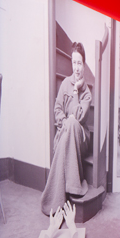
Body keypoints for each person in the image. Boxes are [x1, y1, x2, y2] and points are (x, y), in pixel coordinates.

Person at [41, 42, 91, 216]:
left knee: (72, 123)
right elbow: (57, 109)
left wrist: (76, 91)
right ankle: (72, 187)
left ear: (84, 65)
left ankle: (54, 198)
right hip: (65, 131)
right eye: (74, 62)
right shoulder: (64, 84)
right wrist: (64, 122)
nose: (76, 68)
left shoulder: (87, 93)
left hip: (81, 137)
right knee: (68, 124)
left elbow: (79, 117)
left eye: (79, 63)